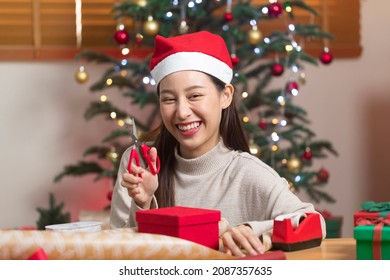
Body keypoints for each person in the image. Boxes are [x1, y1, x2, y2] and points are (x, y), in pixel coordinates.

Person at [110, 31, 326, 257]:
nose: (182, 112)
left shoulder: (247, 173)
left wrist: (253, 231)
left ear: (226, 96)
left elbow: (313, 223)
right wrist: (143, 206)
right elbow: (113, 253)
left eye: (194, 96)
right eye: (169, 99)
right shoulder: (140, 163)